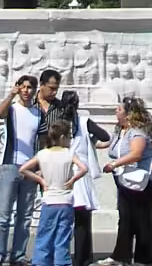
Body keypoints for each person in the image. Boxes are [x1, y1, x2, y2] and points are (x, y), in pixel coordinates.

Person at [100, 97, 152, 265]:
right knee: (126, 217)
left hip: (142, 181)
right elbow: (110, 145)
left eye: (119, 109)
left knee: (140, 218)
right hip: (126, 180)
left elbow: (136, 154)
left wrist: (113, 164)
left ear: (128, 114)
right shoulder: (121, 130)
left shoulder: (138, 132)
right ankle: (121, 255)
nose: (115, 112)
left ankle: (144, 258)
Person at [0, 74, 42, 266]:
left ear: (35, 90)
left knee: (25, 217)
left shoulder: (38, 113)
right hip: (10, 165)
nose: (26, 91)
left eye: (30, 88)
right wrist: (10, 95)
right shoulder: (12, 109)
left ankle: (18, 256)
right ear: (18, 88)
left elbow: (40, 142)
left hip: (29, 169)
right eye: (23, 87)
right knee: (4, 215)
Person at [20, 123, 87, 266]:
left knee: (44, 235)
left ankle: (41, 262)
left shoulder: (43, 154)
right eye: (69, 137)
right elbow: (84, 168)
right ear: (62, 138)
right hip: (66, 201)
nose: (70, 140)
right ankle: (62, 262)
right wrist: (73, 179)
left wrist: (41, 180)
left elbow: (23, 169)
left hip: (49, 200)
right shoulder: (69, 153)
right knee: (63, 237)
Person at [59, 90, 105, 266]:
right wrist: (89, 140)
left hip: (63, 169)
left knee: (61, 217)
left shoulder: (59, 122)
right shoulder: (84, 122)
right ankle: (83, 258)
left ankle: (61, 255)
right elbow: (104, 136)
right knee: (83, 220)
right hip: (81, 171)